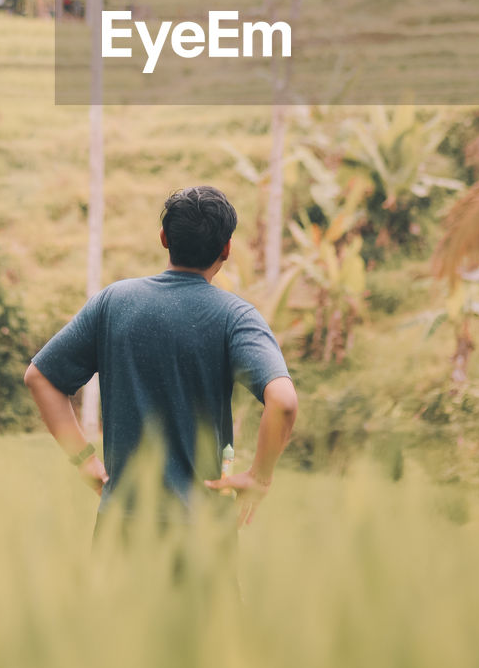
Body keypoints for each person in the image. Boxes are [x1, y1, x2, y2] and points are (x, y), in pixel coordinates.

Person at [23, 185, 298, 534]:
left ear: (164, 237)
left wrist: (84, 460)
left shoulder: (113, 302)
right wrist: (260, 476)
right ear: (226, 249)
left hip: (120, 524)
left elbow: (40, 377)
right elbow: (284, 402)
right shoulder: (236, 317)